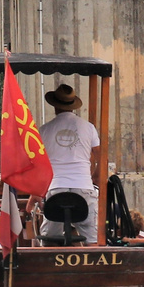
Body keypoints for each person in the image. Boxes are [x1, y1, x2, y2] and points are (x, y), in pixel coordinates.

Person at [38, 84, 100, 246]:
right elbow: (101, 156)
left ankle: (52, 267)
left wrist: (35, 194)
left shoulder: (44, 130)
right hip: (84, 187)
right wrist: (94, 177)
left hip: (56, 188)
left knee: (49, 239)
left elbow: (39, 165)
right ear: (73, 106)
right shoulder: (89, 128)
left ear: (55, 105)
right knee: (92, 240)